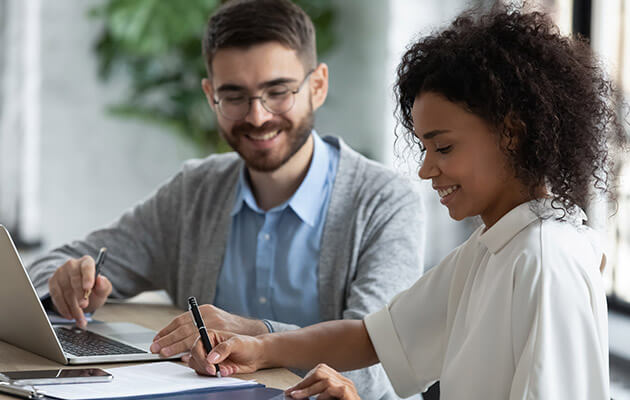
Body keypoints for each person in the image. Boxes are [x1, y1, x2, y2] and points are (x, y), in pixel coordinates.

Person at [183, 5, 624, 400]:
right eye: (424, 149)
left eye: (444, 148)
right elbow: (375, 337)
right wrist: (260, 349)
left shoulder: (542, 259)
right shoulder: (492, 247)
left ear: (511, 133)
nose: (425, 169)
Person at [27, 0, 424, 398]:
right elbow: (46, 269)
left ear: (317, 86)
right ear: (210, 95)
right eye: (234, 97)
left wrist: (260, 336)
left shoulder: (385, 202)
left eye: (278, 92)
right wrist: (65, 283)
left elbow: (378, 363)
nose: (257, 116)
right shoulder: (193, 192)